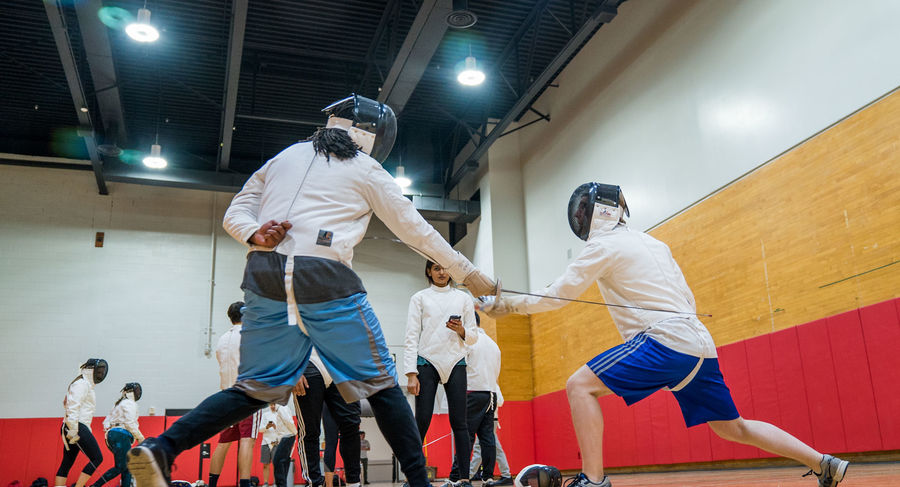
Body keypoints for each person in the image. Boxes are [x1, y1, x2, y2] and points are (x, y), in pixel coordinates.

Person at [128, 94, 497, 487]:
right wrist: (471, 275)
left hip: (264, 275)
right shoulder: (366, 167)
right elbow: (415, 230)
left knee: (255, 389)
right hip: (323, 275)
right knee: (381, 384)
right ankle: (420, 483)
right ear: (371, 135)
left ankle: (163, 448)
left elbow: (236, 211)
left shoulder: (284, 156)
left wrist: (254, 233)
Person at [479, 183, 850, 487]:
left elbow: (557, 294)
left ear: (599, 211)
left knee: (579, 386)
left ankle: (592, 480)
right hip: (699, 345)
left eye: (583, 211)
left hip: (665, 340)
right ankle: (824, 462)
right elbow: (687, 297)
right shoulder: (654, 242)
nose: (581, 218)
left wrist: (505, 305)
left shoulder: (603, 246)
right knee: (733, 427)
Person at [404, 261, 479, 487]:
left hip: (456, 361)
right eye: (436, 268)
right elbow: (411, 335)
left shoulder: (463, 298)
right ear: (428, 271)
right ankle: (413, 478)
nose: (442, 272)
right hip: (427, 361)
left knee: (460, 423)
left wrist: (462, 330)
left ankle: (464, 478)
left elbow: (474, 336)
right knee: (421, 421)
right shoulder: (419, 297)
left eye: (445, 268)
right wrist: (410, 372)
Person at [208, 302, 258, 487]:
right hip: (247, 394)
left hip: (226, 396)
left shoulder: (222, 339)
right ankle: (245, 484)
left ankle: (211, 483)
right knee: (247, 440)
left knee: (224, 442)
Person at [295, 350, 362, 487]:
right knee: (310, 430)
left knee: (351, 426)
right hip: (309, 359)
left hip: (342, 361)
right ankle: (314, 482)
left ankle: (354, 483)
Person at [448, 312, 500, 484]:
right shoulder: (494, 345)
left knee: (466, 436)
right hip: (490, 394)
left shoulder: (469, 342)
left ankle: (457, 477)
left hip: (472, 392)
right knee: (487, 437)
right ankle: (489, 477)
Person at [56, 359, 108, 487]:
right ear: (91, 370)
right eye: (99, 371)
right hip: (76, 426)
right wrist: (73, 429)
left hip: (73, 425)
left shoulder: (84, 384)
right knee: (97, 458)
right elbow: (72, 407)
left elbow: (66, 403)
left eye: (102, 372)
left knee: (66, 463)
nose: (100, 374)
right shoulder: (82, 384)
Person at [92, 383, 145, 487]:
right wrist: (140, 437)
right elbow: (129, 423)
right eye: (137, 391)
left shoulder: (118, 404)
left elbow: (105, 422)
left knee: (127, 467)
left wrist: (110, 431)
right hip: (121, 435)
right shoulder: (130, 403)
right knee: (120, 467)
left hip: (112, 435)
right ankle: (95, 486)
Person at [266, 403, 298, 487]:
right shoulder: (279, 410)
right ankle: (282, 484)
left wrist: (295, 432)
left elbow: (289, 421)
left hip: (287, 436)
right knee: (283, 462)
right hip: (285, 437)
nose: (272, 406)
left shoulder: (282, 408)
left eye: (273, 404)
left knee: (278, 461)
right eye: (270, 404)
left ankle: (281, 484)